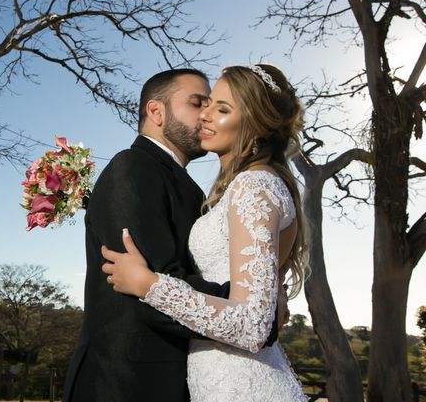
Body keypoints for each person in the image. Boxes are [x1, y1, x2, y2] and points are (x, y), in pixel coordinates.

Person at [62, 68, 280, 402]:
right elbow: (150, 284)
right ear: (156, 111)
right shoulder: (131, 167)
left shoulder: (194, 189)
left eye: (214, 107)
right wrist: (256, 308)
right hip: (125, 383)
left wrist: (255, 306)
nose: (206, 115)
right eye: (197, 103)